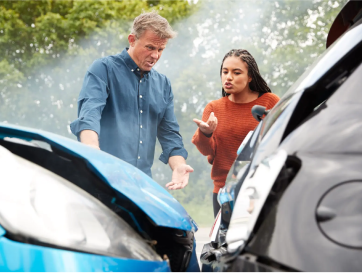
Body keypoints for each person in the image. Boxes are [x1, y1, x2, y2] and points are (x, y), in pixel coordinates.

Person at [70, 12, 193, 189]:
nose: (155, 55)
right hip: (101, 180)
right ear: (132, 40)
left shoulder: (163, 84)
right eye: (150, 47)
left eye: (160, 50)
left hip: (141, 186)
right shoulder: (103, 69)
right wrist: (91, 150)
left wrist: (179, 165)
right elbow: (89, 114)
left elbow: (169, 134)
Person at [191, 49, 280, 217]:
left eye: (236, 72)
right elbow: (206, 151)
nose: (228, 77)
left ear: (250, 76)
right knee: (224, 243)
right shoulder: (214, 108)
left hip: (260, 189)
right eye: (225, 72)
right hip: (224, 192)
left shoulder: (270, 101)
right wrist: (206, 134)